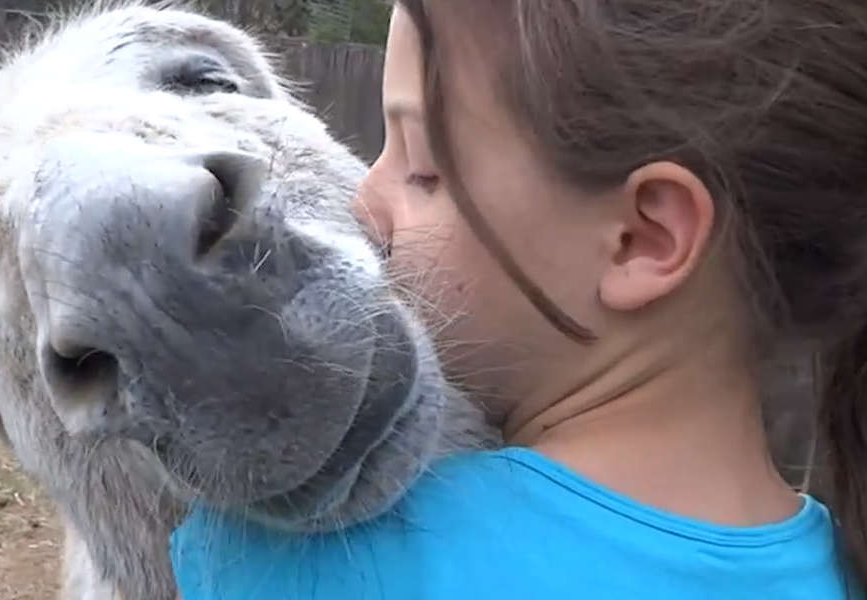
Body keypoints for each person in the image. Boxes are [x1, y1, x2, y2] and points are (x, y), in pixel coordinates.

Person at [169, 1, 867, 598]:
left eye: (420, 168)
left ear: (639, 239)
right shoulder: (839, 566)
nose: (365, 201)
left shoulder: (302, 565)